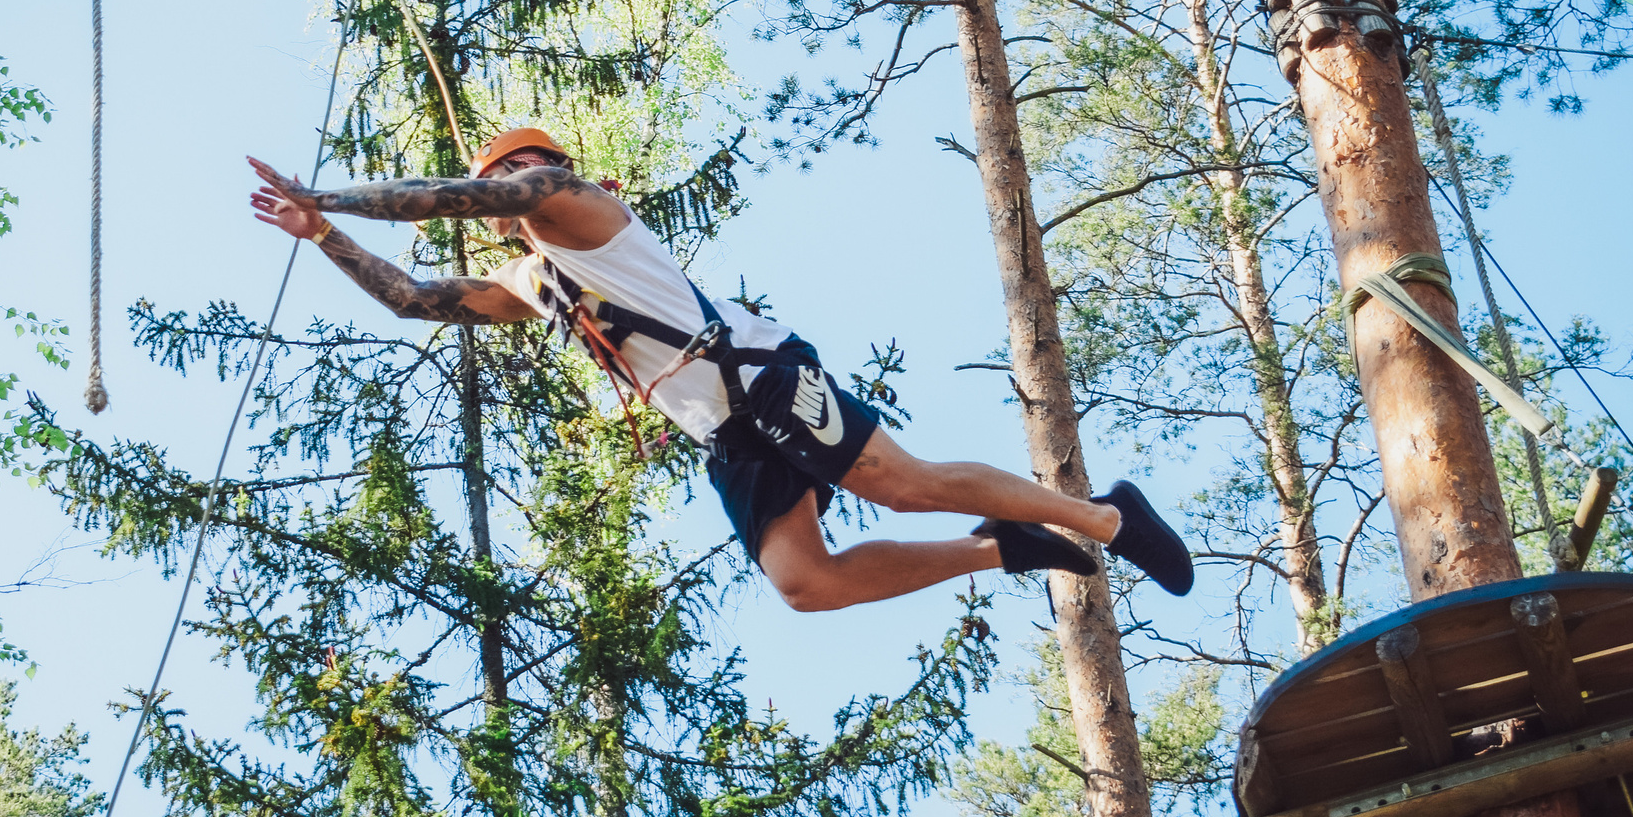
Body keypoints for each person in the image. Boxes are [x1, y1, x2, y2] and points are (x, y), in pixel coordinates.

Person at [246, 127, 1192, 611]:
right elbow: (416, 297)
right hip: (728, 431)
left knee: (905, 487)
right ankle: (1005, 546)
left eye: (530, 166)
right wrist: (321, 231)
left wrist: (326, 187)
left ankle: (1108, 516)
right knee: (804, 585)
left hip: (762, 376)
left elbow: (469, 194)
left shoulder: (574, 208)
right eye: (516, 174)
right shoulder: (537, 279)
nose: (522, 181)